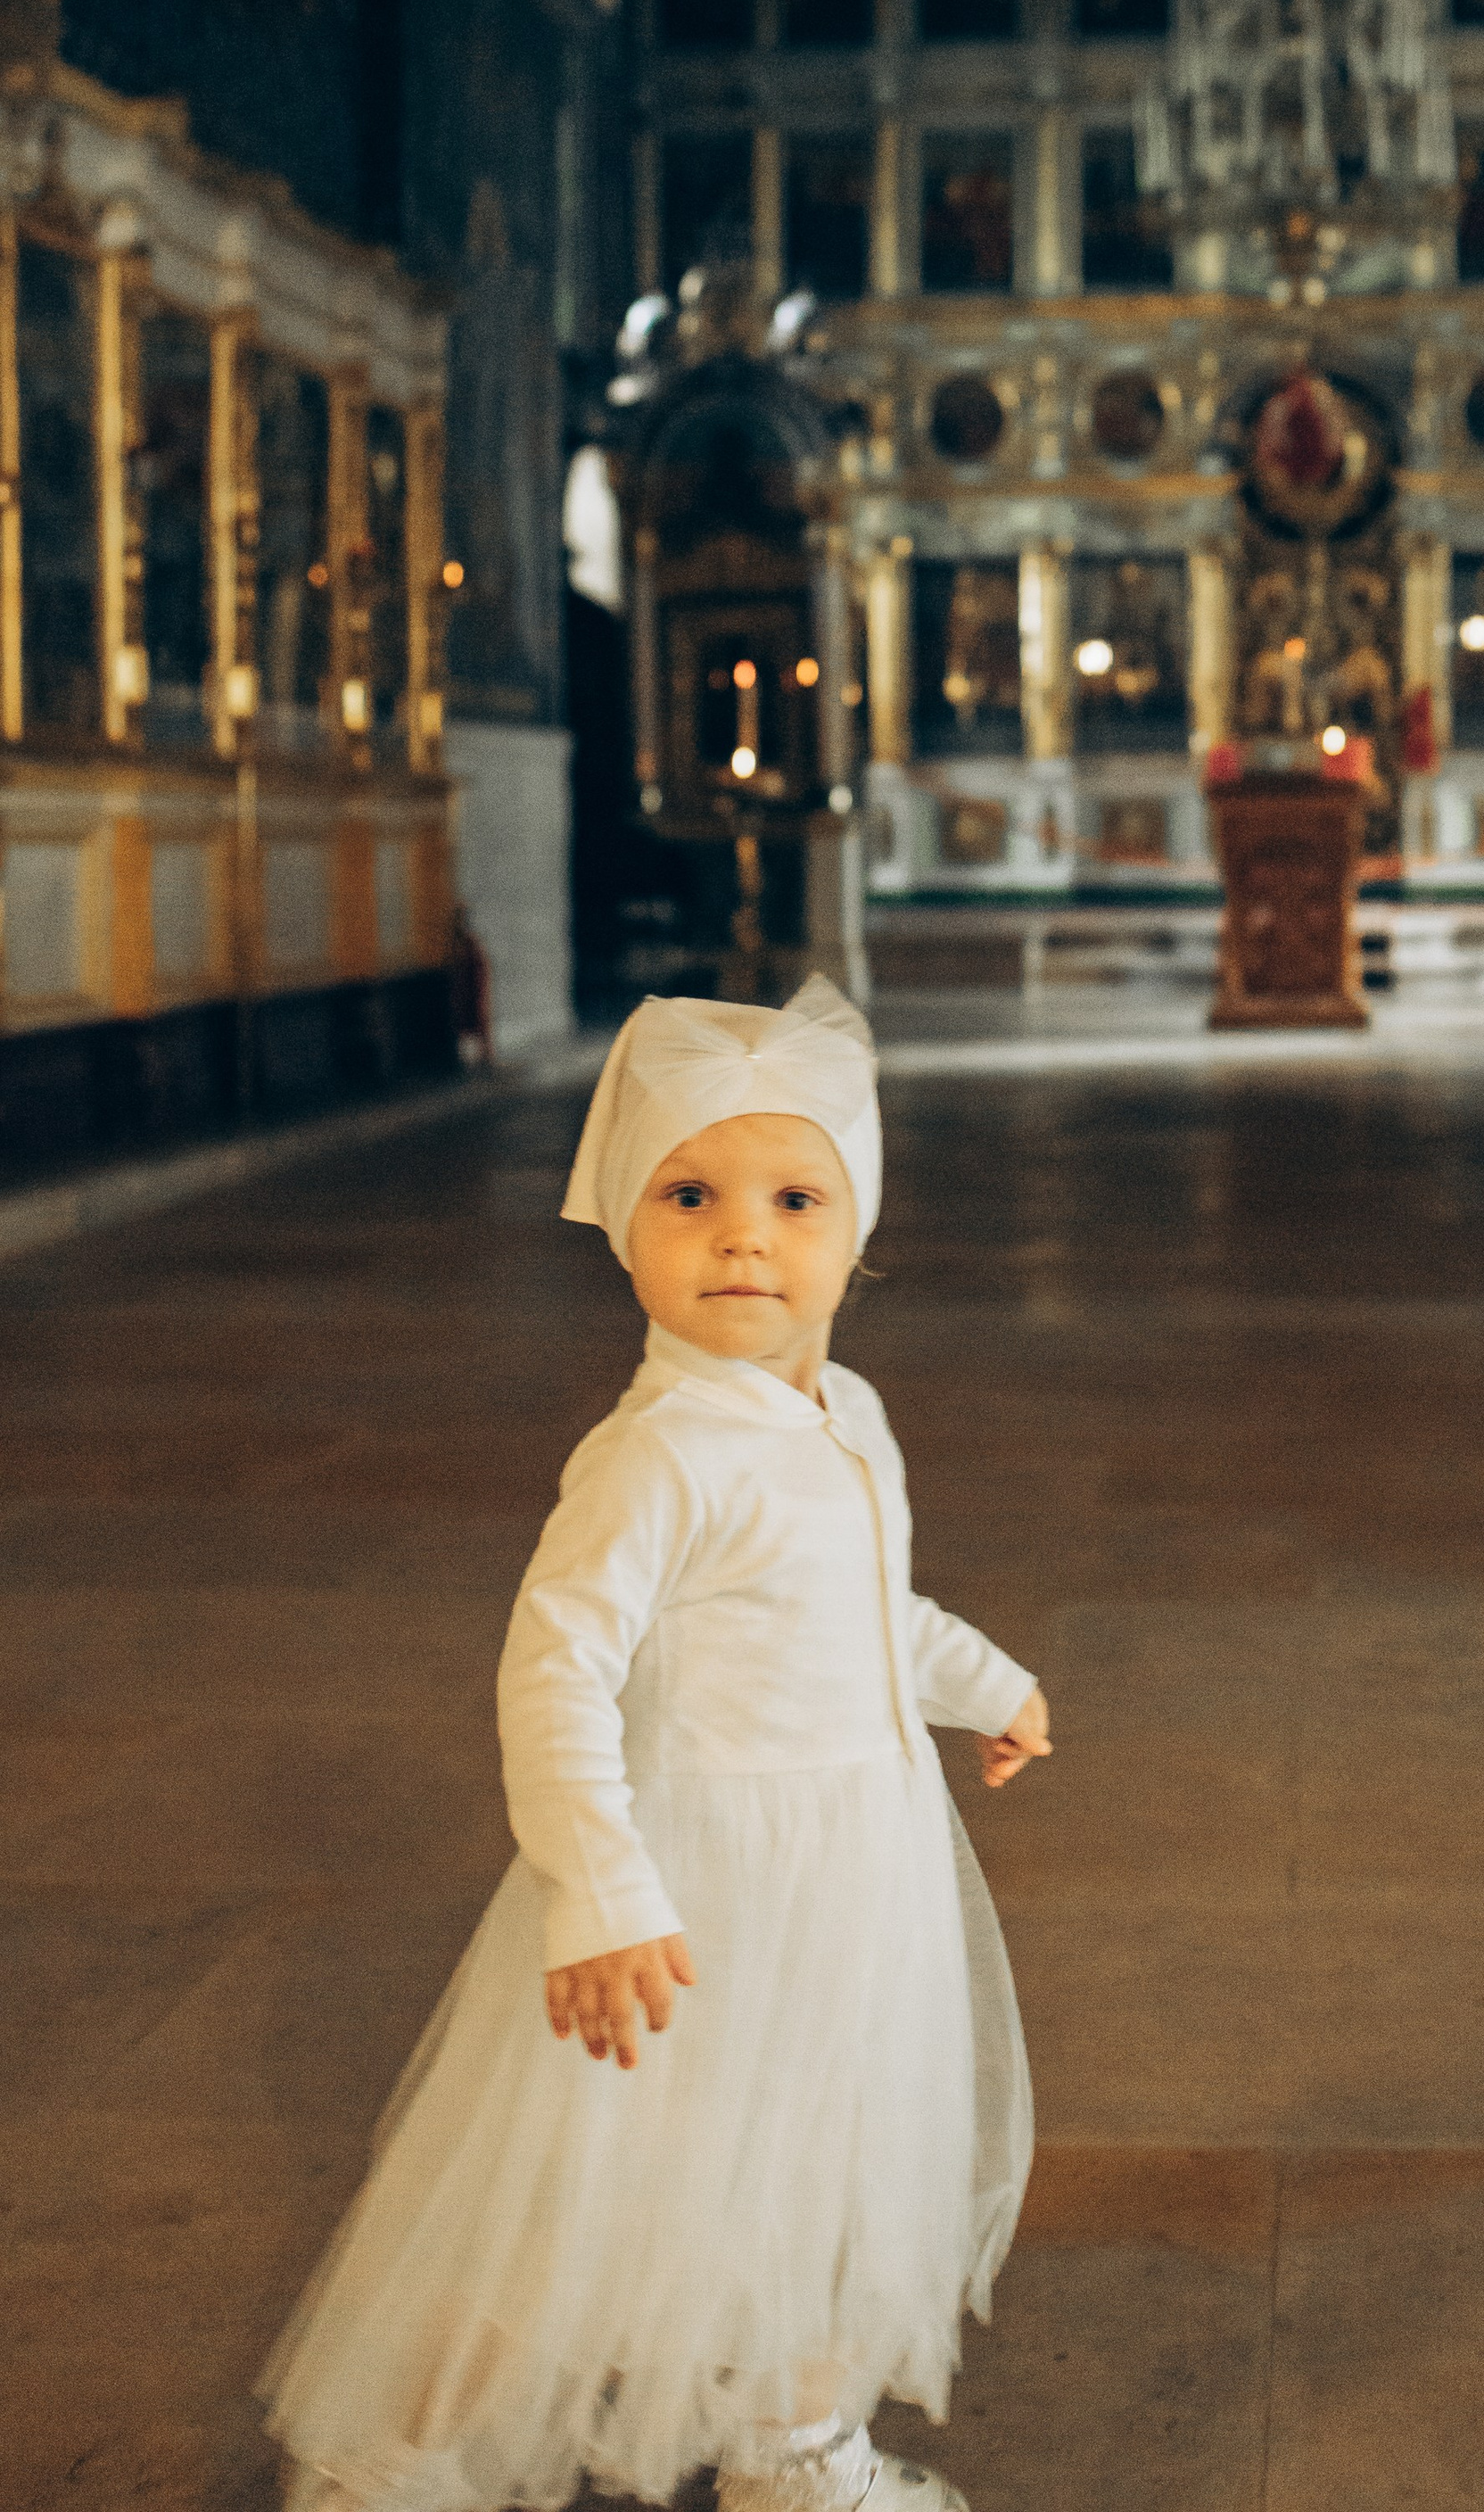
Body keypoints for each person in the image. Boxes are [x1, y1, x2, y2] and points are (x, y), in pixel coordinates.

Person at [260, 977, 1052, 2512]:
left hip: (857, 1876)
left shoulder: (846, 1412)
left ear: (857, 1234)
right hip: (695, 1889)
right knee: (588, 2203)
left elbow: (863, 1605)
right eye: (690, 1195)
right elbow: (555, 1671)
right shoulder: (657, 1455)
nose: (743, 1235)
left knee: (825, 2175)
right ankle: (391, 2464)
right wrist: (601, 1886)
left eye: (793, 1197)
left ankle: (792, 2450)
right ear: (626, 1230)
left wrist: (985, 1679)